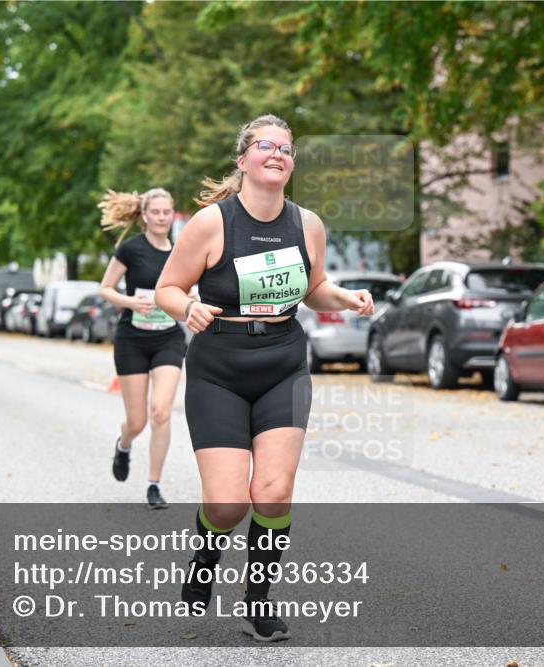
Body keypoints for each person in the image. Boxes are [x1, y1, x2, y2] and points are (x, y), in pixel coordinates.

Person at [156, 114, 374, 641]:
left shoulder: (308, 224)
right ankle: (205, 560)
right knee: (228, 504)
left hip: (282, 363)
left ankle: (257, 603)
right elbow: (167, 287)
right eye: (265, 146)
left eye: (286, 147)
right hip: (219, 369)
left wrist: (341, 297)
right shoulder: (212, 223)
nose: (277, 153)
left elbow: (314, 286)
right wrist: (187, 307)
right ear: (243, 160)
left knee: (273, 494)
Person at [97, 188, 187, 509]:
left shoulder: (181, 253)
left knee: (161, 411)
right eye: (156, 212)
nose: (162, 217)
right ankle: (124, 445)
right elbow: (105, 288)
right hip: (132, 339)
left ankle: (154, 485)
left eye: (167, 212)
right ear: (145, 216)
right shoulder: (131, 249)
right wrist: (130, 301)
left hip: (168, 339)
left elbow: (187, 293)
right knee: (137, 422)